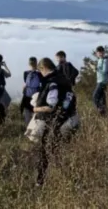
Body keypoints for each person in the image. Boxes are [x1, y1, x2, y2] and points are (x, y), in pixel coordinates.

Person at [34, 57, 77, 187]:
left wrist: (36, 108)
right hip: (66, 120)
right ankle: (72, 179)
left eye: (40, 70)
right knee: (57, 151)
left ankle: (40, 181)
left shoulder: (52, 83)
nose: (41, 74)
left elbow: (51, 106)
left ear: (44, 68)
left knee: (46, 151)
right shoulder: (64, 80)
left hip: (52, 121)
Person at [21, 56, 42, 127]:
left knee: (28, 114)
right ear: (36, 63)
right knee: (34, 114)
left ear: (28, 63)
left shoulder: (25, 73)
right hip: (35, 96)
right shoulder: (39, 74)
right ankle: (33, 128)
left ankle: (28, 128)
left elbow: (25, 83)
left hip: (28, 96)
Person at [93, 46, 108, 116]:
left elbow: (105, 71)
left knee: (95, 96)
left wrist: (96, 69)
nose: (100, 53)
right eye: (99, 52)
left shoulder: (105, 60)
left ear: (104, 52)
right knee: (102, 99)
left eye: (101, 52)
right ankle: (105, 115)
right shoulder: (99, 60)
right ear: (96, 53)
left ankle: (101, 110)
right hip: (99, 81)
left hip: (103, 81)